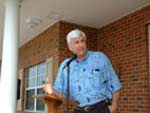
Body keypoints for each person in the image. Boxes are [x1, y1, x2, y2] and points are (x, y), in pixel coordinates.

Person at [43, 29, 121, 113]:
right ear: (70, 47)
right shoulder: (66, 65)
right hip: (79, 110)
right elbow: (60, 93)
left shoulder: (99, 57)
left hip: (102, 108)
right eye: (76, 42)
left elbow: (115, 84)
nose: (81, 45)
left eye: (82, 41)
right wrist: (51, 90)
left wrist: (114, 107)